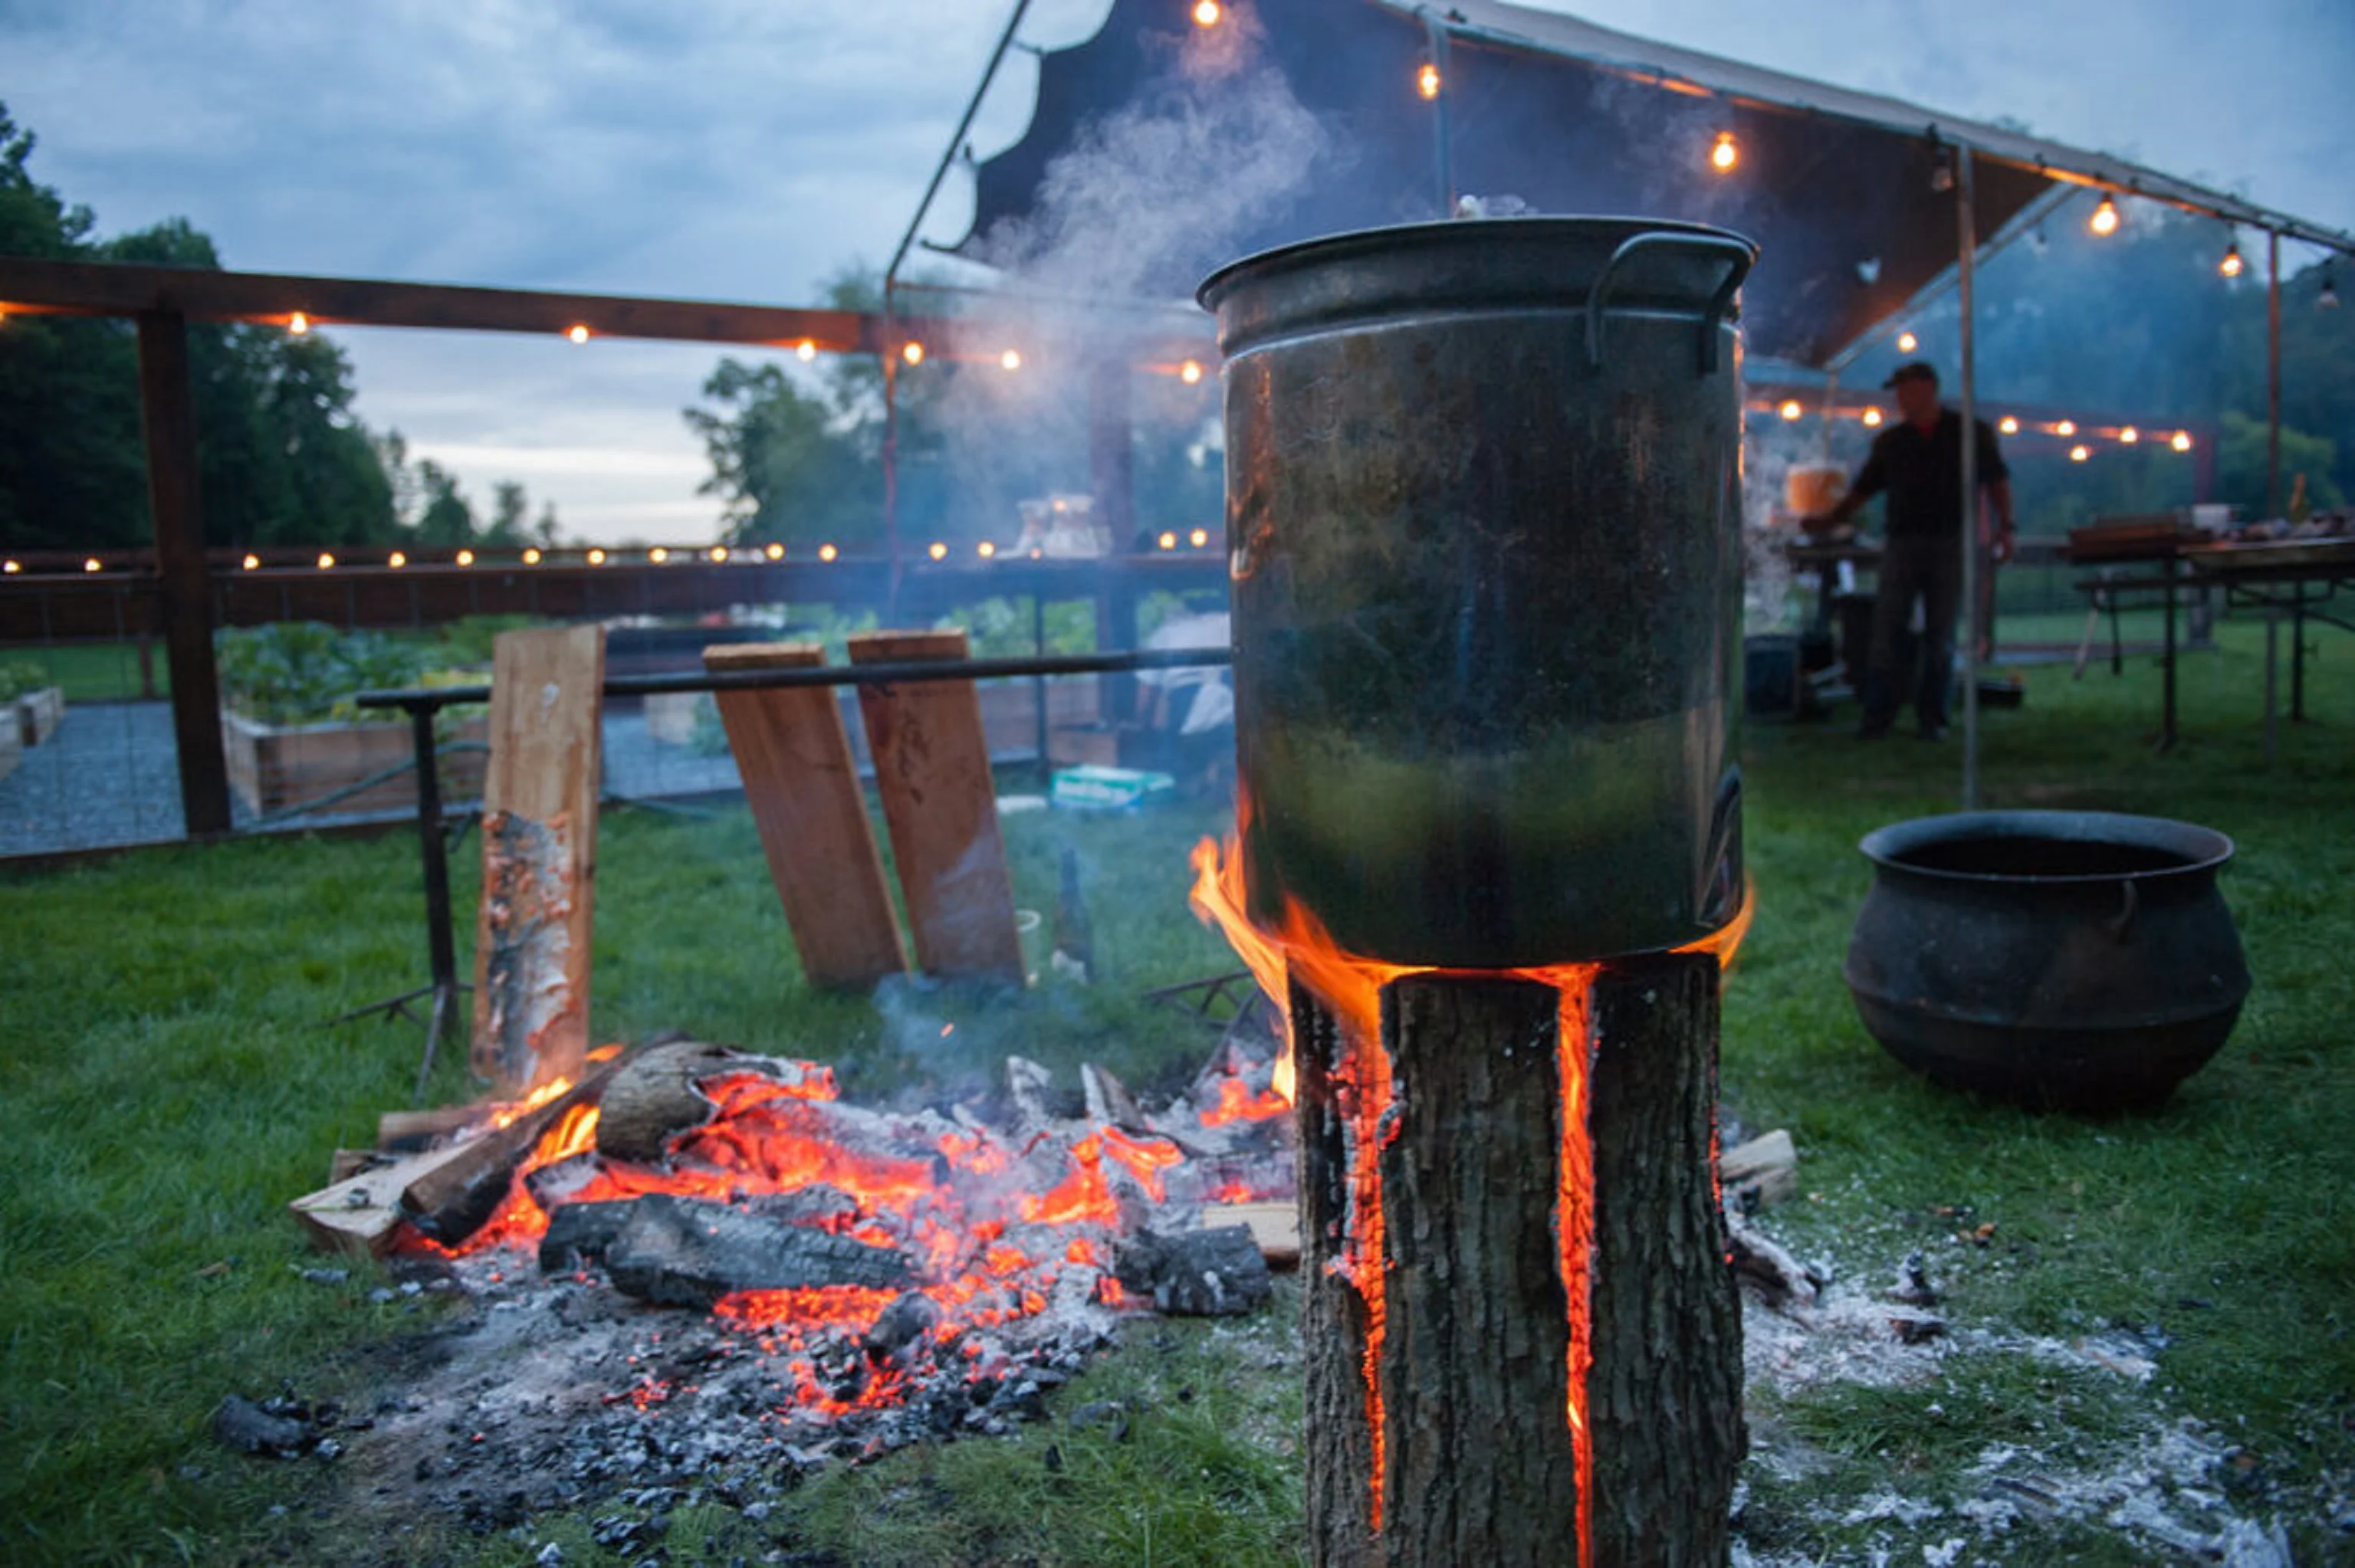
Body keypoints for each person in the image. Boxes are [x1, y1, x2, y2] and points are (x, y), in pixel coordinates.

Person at [1809, 362, 2015, 740]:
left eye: (1908, 389)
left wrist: (2006, 528)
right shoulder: (1893, 442)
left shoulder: (1968, 434)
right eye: (1899, 391)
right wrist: (1828, 520)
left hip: (1950, 541)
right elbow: (1864, 489)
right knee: (1888, 631)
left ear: (1929, 388)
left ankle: (1933, 718)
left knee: (1941, 633)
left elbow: (1997, 480)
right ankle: (1877, 717)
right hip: (1903, 542)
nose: (1902, 398)